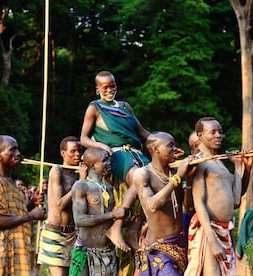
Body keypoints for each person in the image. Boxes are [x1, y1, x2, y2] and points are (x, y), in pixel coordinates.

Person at [80, 70, 150, 254]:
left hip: (137, 153)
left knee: (155, 181)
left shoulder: (125, 106)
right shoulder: (94, 108)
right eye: (105, 87)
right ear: (97, 89)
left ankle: (134, 230)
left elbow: (142, 132)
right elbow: (84, 138)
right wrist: (101, 145)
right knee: (139, 178)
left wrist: (162, 142)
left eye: (113, 86)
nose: (110, 89)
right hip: (116, 153)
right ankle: (116, 228)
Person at [185, 117, 253, 276]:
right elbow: (198, 202)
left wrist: (239, 166)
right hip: (209, 231)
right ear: (200, 135)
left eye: (220, 132)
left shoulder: (220, 163)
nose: (218, 136)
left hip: (225, 230)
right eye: (213, 132)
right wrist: (213, 241)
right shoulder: (199, 161)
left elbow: (236, 200)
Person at [0, 135, 45, 275]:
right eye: (12, 150)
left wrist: (32, 203)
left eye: (17, 149)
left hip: (17, 248)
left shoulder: (9, 181)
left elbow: (15, 213)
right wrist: (30, 215)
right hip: (3, 252)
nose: (18, 154)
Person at [133, 132, 193, 275]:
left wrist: (189, 180)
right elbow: (151, 205)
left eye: (174, 145)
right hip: (159, 248)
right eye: (170, 145)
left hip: (180, 245)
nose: (175, 149)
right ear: (155, 149)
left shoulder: (174, 172)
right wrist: (177, 178)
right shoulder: (143, 174)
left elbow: (188, 207)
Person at [69, 147, 126, 276]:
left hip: (107, 251)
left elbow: (110, 221)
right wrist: (112, 214)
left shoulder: (110, 188)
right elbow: (80, 220)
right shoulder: (81, 186)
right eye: (105, 160)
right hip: (86, 251)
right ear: (93, 166)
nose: (109, 163)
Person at [37, 136, 86, 276]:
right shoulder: (57, 170)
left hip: (73, 234)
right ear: (63, 153)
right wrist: (81, 182)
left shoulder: (80, 173)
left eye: (79, 151)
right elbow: (59, 205)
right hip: (55, 233)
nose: (77, 155)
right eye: (73, 151)